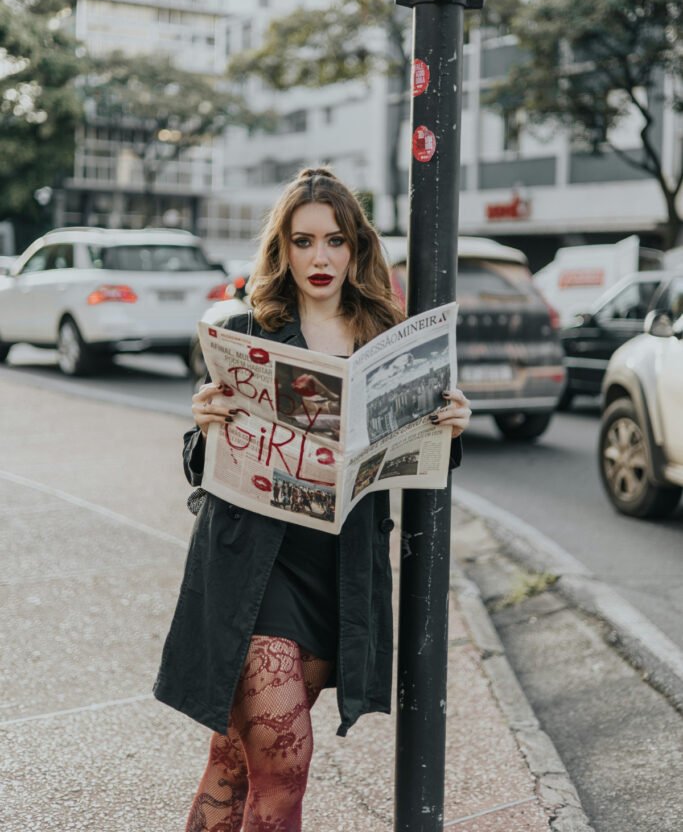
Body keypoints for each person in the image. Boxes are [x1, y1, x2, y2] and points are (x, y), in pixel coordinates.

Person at [154, 166, 471, 832]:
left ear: (356, 249)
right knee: (283, 774)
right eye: (303, 242)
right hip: (252, 571)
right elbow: (199, 463)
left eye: (334, 241)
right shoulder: (251, 330)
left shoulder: (388, 341)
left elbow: (419, 467)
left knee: (232, 766)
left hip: (339, 577)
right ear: (283, 250)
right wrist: (206, 426)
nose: (319, 257)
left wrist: (449, 427)